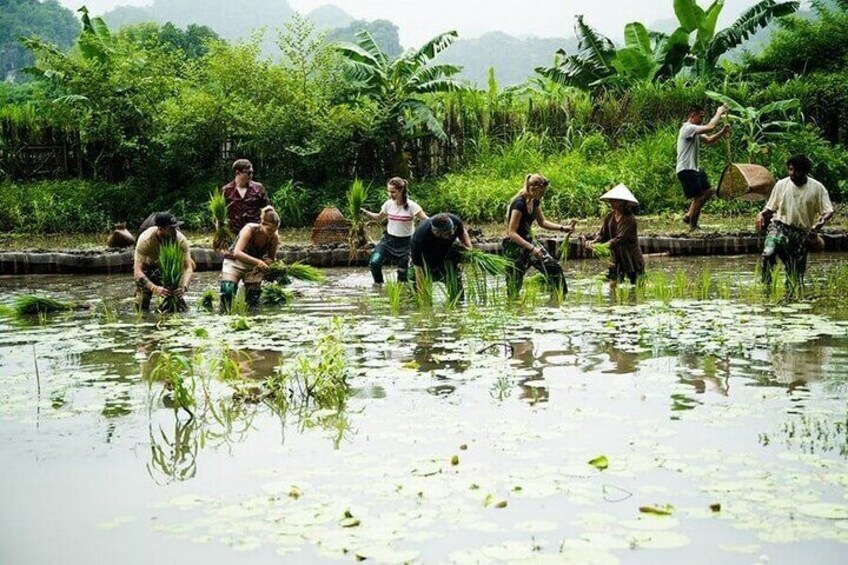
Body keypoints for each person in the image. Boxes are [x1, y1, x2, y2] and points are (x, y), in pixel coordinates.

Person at [756, 154, 834, 293]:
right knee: (768, 254)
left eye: (795, 171)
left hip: (800, 233)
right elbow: (770, 208)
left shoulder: (817, 188)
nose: (792, 174)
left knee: (794, 278)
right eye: (790, 170)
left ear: (804, 172)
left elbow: (828, 211)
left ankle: (790, 297)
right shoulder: (781, 185)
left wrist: (818, 225)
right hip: (779, 226)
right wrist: (761, 214)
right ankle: (766, 288)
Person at [503, 173, 575, 297]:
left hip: (529, 240)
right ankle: (514, 309)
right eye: (542, 192)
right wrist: (532, 248)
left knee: (553, 268)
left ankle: (560, 299)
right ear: (534, 188)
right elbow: (512, 232)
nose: (543, 195)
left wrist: (563, 228)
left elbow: (542, 222)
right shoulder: (519, 204)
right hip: (514, 246)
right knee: (514, 285)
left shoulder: (534, 201)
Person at [361, 177, 428, 284]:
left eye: (393, 192)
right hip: (388, 241)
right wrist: (364, 212)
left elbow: (427, 221)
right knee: (374, 263)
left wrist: (421, 236)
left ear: (401, 190)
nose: (390, 194)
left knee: (402, 276)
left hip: (406, 244)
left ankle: (402, 295)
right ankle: (379, 286)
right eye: (389, 191)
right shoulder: (388, 204)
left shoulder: (412, 206)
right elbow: (378, 217)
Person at [676, 104, 730, 230]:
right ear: (692, 116)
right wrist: (719, 112)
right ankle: (693, 226)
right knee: (699, 197)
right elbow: (710, 127)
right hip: (686, 169)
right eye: (700, 117)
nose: (702, 120)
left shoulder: (694, 131)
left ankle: (689, 215)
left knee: (708, 191)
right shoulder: (688, 128)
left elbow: (709, 140)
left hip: (694, 169)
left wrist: (722, 132)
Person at [585, 184, 644, 288]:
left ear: (622, 202)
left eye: (615, 200)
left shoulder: (629, 219)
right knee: (613, 284)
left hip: (630, 256)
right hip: (616, 256)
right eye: (611, 200)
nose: (612, 202)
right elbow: (603, 234)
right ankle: (613, 303)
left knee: (636, 285)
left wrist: (603, 246)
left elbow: (620, 239)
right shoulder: (610, 216)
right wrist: (594, 242)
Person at [220, 205, 281, 309]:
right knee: (227, 291)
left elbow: (271, 258)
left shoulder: (274, 237)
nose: (271, 234)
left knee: (253, 298)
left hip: (254, 267)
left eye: (274, 231)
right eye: (269, 230)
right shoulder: (250, 229)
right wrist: (258, 262)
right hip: (235, 262)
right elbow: (237, 253)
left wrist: (271, 263)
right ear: (262, 224)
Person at [133, 212, 194, 312]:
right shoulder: (146, 240)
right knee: (141, 307)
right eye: (171, 228)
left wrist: (184, 286)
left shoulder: (180, 239)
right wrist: (154, 288)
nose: (175, 231)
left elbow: (188, 267)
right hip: (147, 269)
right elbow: (137, 271)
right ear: (160, 229)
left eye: (175, 227)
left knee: (177, 305)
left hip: (168, 271)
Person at [410, 213, 473, 298]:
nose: (453, 233)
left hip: (446, 258)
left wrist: (469, 249)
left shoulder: (454, 221)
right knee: (420, 295)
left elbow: (462, 232)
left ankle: (458, 307)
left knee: (457, 292)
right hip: (425, 261)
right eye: (448, 233)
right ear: (437, 233)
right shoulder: (419, 238)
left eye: (452, 230)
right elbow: (418, 269)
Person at [221, 159, 270, 235]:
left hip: (255, 231)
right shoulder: (226, 190)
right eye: (248, 173)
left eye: (252, 172)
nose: (251, 175)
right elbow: (220, 214)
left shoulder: (258, 188)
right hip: (234, 233)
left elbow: (268, 208)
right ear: (238, 173)